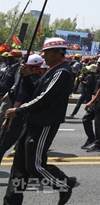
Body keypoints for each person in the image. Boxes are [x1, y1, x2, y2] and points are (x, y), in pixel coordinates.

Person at [3, 37, 77, 205]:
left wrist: (18, 110)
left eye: (46, 52)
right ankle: (11, 202)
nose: (43, 56)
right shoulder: (52, 70)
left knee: (34, 166)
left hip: (43, 123)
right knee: (19, 169)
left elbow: (44, 99)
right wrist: (27, 77)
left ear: (58, 53)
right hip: (31, 122)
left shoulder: (62, 72)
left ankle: (64, 184)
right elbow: (34, 94)